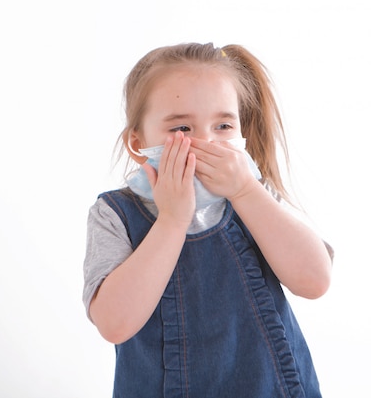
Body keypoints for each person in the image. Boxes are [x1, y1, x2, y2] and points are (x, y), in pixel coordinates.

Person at [82, 42, 333, 398]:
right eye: (182, 128)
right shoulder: (114, 215)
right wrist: (171, 220)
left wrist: (247, 192)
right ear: (137, 142)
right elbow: (114, 323)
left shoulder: (254, 197)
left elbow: (315, 280)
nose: (205, 142)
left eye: (223, 125)